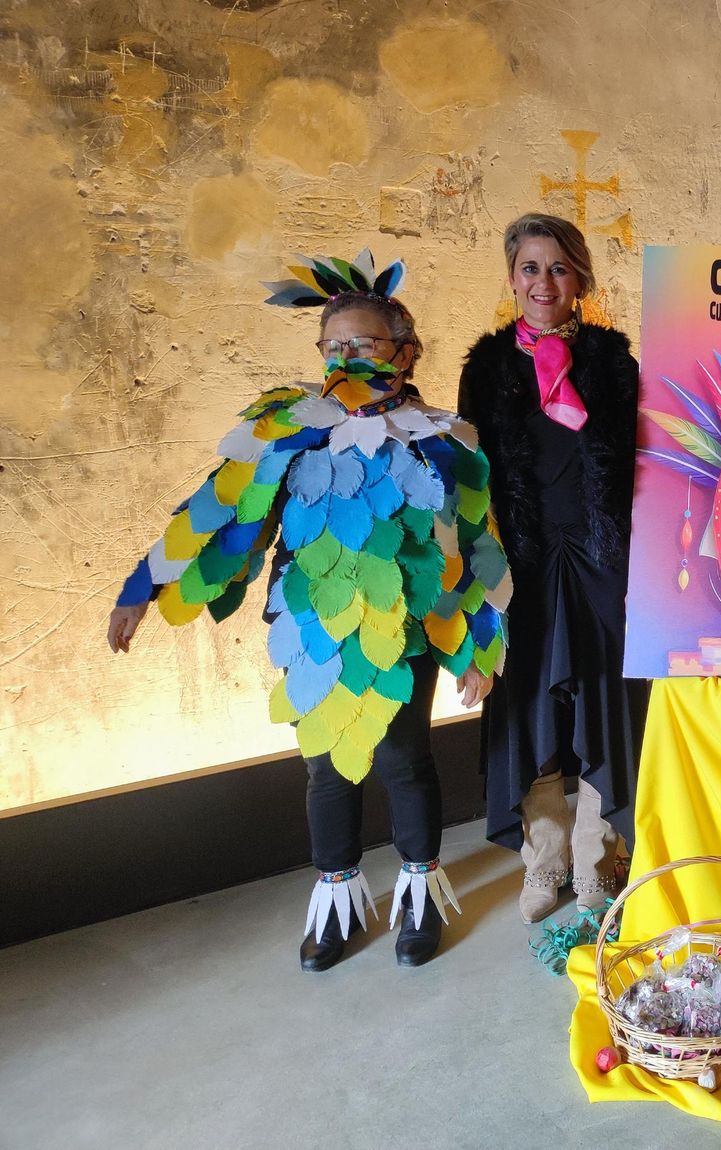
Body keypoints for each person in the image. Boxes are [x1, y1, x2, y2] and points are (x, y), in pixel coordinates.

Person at [107, 250, 510, 971]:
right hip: (310, 628)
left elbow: (472, 545)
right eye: (335, 346)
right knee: (325, 768)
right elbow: (222, 515)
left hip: (405, 629)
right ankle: (337, 903)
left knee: (403, 758)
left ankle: (419, 897)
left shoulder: (444, 441)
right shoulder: (285, 429)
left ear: (406, 350)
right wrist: (145, 589)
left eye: (365, 343)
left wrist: (478, 647)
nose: (348, 357)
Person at [458, 214, 646, 924]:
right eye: (531, 267)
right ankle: (544, 862)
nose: (545, 282)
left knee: (601, 705)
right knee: (533, 708)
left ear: (582, 281)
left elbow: (645, 463)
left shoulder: (613, 363)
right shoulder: (485, 369)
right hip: (522, 567)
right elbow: (471, 479)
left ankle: (597, 864)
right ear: (512, 277)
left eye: (560, 268)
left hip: (602, 560)